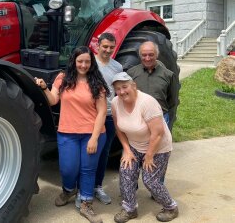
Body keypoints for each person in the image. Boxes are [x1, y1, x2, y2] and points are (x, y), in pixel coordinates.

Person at [35, 46, 109, 223]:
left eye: (87, 61)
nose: (83, 65)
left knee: (88, 170)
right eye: (80, 61)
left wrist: (94, 137)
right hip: (67, 132)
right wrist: (44, 88)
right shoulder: (63, 78)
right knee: (68, 169)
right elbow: (53, 100)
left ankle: (86, 204)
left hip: (92, 134)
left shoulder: (96, 83)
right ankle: (69, 190)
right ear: (74, 61)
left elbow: (101, 112)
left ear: (92, 63)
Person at [111, 72, 179, 223]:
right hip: (135, 145)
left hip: (157, 147)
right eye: (117, 89)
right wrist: (127, 150)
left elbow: (158, 133)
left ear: (133, 86)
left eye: (124, 87)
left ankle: (171, 207)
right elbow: (119, 129)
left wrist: (149, 156)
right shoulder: (115, 102)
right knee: (126, 172)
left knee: (150, 180)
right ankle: (129, 208)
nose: (121, 91)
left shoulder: (147, 102)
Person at [93, 32, 123, 205]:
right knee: (89, 151)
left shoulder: (117, 67)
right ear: (98, 45)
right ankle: (83, 188)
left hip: (110, 115)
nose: (108, 50)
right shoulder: (90, 64)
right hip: (92, 115)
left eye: (111, 47)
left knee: (104, 152)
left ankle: (98, 186)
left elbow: (119, 91)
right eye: (105, 47)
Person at [127, 41, 179, 130]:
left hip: (161, 118)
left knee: (160, 143)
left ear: (156, 55)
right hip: (138, 118)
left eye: (151, 55)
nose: (147, 58)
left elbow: (172, 100)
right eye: (144, 55)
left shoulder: (168, 75)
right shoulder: (131, 73)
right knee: (137, 144)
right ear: (140, 56)